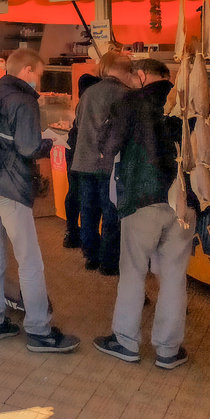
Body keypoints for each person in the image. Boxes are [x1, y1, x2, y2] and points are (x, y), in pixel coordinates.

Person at [0, 48, 79, 353]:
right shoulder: (24, 101)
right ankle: (38, 330)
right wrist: (53, 142)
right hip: (10, 187)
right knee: (29, 260)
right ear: (27, 72)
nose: (40, 80)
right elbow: (29, 146)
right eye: (40, 74)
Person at [95, 59, 190, 369]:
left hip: (141, 198)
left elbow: (107, 146)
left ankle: (125, 342)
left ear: (142, 75)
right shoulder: (189, 102)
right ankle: (168, 351)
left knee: (134, 271)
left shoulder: (131, 102)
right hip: (184, 200)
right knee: (174, 276)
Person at [71, 53, 134, 274]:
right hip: (108, 163)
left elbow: (78, 121)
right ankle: (109, 261)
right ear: (126, 72)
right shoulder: (125, 95)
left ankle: (90, 255)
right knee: (111, 212)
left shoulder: (89, 92)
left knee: (88, 210)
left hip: (83, 160)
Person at [63, 69, 102, 248]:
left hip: (73, 149)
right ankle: (85, 238)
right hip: (85, 153)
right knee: (88, 198)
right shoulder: (92, 103)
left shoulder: (82, 103)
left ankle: (72, 232)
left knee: (74, 193)